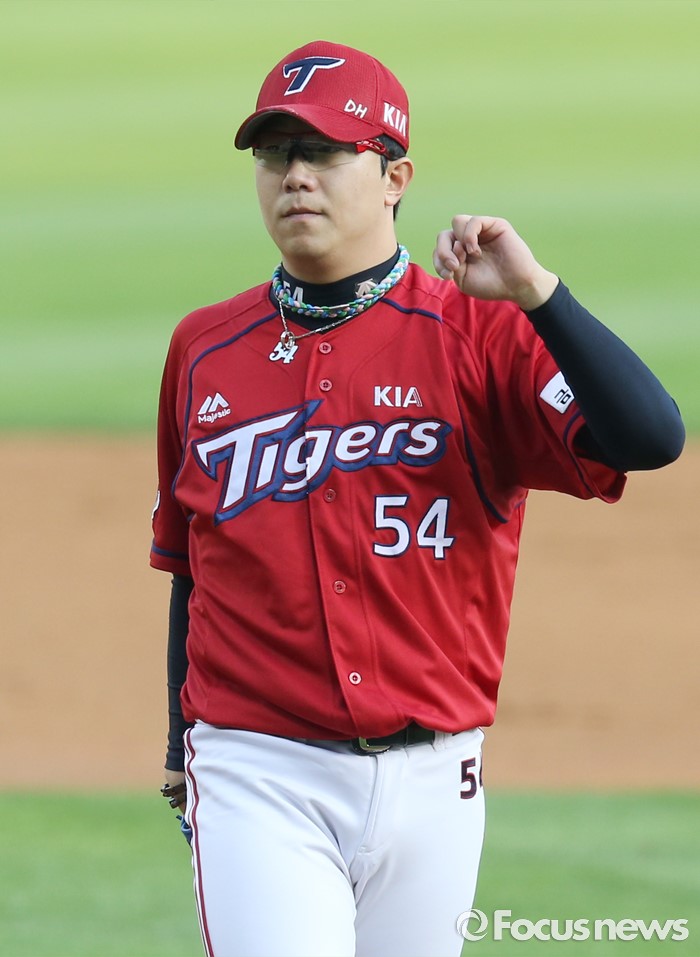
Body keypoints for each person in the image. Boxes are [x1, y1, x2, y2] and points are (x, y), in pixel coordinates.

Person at [150, 40, 685, 957]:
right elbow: (190, 564)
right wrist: (178, 746)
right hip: (257, 769)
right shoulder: (204, 350)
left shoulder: (480, 336)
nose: (294, 176)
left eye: (325, 151)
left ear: (396, 175)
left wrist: (538, 296)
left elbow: (651, 437)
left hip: (440, 778)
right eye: (275, 154)